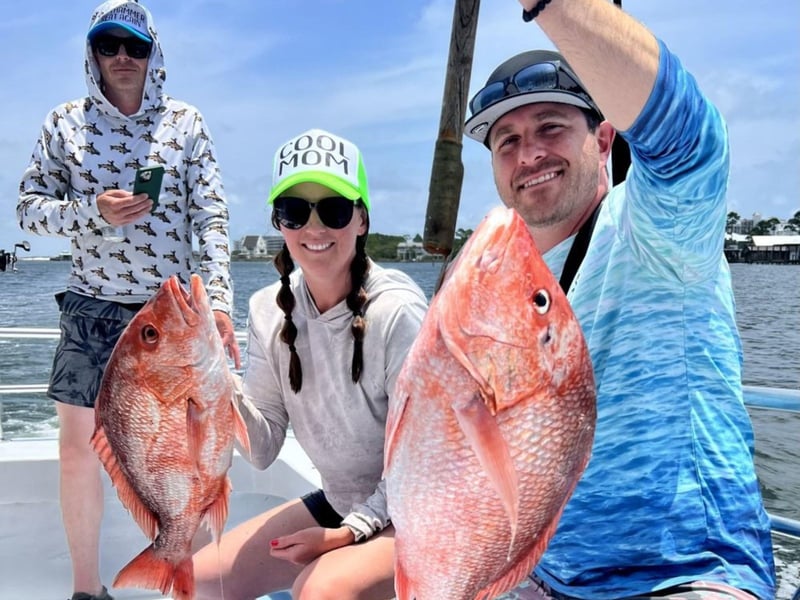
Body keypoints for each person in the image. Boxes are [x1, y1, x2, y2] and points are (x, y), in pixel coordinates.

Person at [464, 1, 776, 599]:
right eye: (507, 141)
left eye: (551, 126)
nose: (528, 153)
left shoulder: (652, 225)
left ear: (603, 137)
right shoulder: (495, 279)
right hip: (543, 575)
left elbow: (690, 141)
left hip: (688, 575)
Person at [16, 2, 238, 599]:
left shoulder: (185, 123)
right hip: (91, 309)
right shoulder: (64, 123)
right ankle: (87, 589)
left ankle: (183, 571)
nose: (122, 57)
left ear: (152, 53)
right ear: (91, 53)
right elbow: (27, 210)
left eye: (134, 47)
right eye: (108, 45)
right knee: (76, 452)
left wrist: (218, 302)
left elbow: (211, 216)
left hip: (170, 317)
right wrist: (93, 211)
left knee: (187, 450)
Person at [192, 128, 428, 600]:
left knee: (319, 590)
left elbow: (424, 466)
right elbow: (260, 449)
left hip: (418, 510)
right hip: (343, 503)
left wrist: (349, 533)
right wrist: (213, 373)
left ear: (361, 220)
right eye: (295, 212)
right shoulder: (265, 309)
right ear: (279, 223)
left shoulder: (398, 311)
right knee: (198, 582)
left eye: (334, 210)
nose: (314, 229)